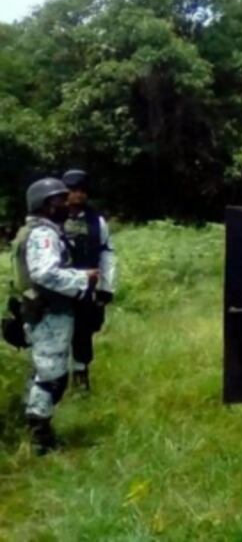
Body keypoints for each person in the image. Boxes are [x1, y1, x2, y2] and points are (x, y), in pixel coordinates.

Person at [11, 178, 98, 454]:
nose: (66, 204)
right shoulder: (43, 234)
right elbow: (45, 273)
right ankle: (40, 437)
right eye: (59, 200)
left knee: (44, 372)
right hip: (49, 314)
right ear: (46, 205)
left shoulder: (35, 230)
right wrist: (83, 277)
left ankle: (36, 426)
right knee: (52, 376)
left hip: (44, 312)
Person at [61, 169, 117, 390]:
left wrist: (106, 287)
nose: (78, 195)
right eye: (73, 190)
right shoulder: (52, 217)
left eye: (82, 191)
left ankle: (81, 377)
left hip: (87, 288)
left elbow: (107, 253)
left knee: (84, 332)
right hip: (58, 287)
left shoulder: (96, 221)